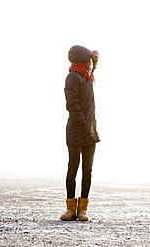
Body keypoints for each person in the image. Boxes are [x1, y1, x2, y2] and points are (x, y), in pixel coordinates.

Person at [60, 45, 100, 221]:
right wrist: (83, 123)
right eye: (88, 61)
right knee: (73, 169)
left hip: (90, 130)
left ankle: (83, 209)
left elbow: (94, 67)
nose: (90, 64)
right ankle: (70, 209)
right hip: (76, 131)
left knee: (87, 171)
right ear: (81, 61)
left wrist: (96, 59)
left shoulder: (87, 76)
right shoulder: (73, 77)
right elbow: (72, 104)